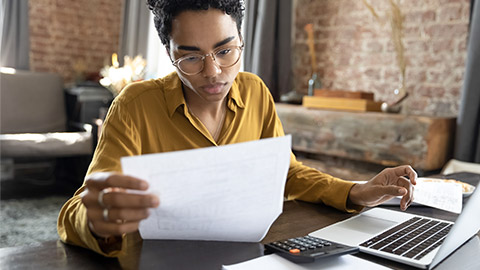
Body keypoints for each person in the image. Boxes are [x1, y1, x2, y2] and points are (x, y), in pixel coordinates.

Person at [57, 0, 417, 257]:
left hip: (251, 254)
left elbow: (287, 174)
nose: (214, 72)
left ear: (241, 41)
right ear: (169, 54)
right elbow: (79, 208)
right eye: (191, 57)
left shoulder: (256, 92)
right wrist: (96, 221)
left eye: (226, 51)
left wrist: (355, 191)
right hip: (162, 259)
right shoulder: (135, 106)